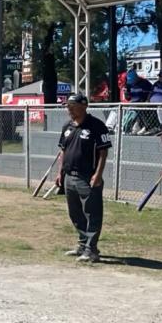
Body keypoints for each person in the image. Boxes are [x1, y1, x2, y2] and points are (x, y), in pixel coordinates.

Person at [54, 94, 112, 263]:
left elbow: (103, 152)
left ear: (84, 106)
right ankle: (82, 244)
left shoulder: (97, 126)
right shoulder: (68, 126)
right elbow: (63, 151)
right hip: (69, 177)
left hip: (88, 177)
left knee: (92, 214)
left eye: (72, 105)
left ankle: (91, 250)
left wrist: (98, 175)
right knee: (75, 213)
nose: (69, 109)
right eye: (67, 106)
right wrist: (60, 173)